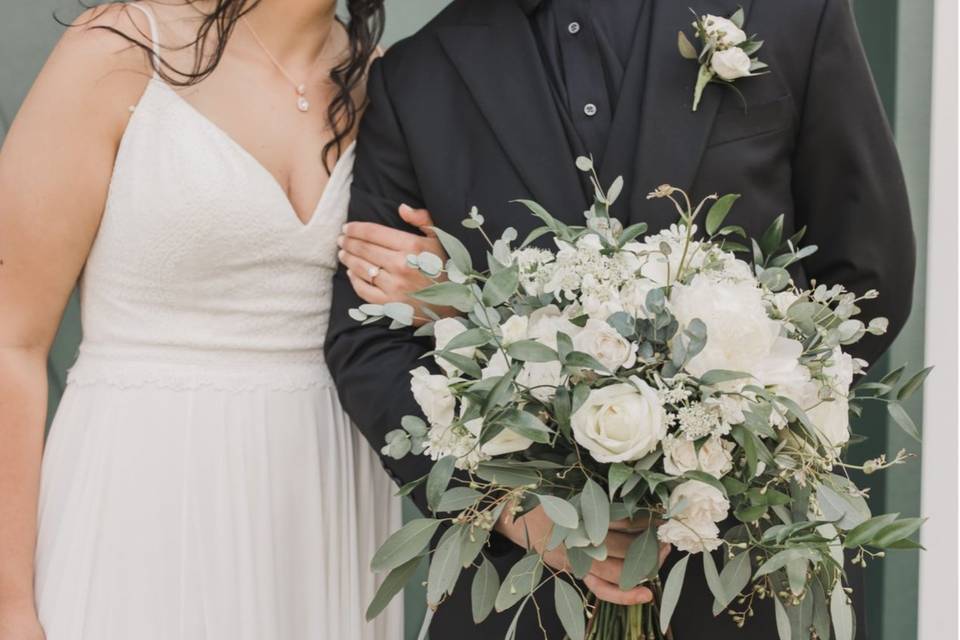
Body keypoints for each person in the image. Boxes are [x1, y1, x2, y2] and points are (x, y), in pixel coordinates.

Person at [327, 0, 915, 638]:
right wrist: (518, 509)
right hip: (524, 596)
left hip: (746, 578)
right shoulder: (418, 75)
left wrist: (728, 446)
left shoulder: (795, 12)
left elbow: (865, 279)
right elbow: (368, 337)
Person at [0, 1, 400, 639]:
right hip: (145, 497)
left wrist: (432, 286)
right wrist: (7, 604)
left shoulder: (387, 84)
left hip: (321, 505)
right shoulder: (122, 49)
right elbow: (11, 342)